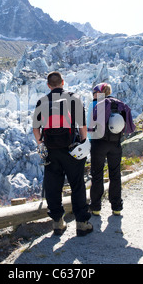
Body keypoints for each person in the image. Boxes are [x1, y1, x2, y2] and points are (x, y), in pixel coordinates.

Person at [32, 71, 93, 237]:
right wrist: (81, 143)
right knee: (77, 184)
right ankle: (82, 223)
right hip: (71, 148)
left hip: (51, 150)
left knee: (53, 186)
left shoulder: (42, 101)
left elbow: (36, 129)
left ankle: (57, 223)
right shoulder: (74, 98)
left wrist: (42, 145)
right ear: (63, 82)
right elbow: (82, 126)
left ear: (48, 85)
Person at [89, 83, 135, 215]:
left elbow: (92, 127)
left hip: (99, 143)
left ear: (100, 93)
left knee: (97, 175)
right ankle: (116, 207)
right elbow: (130, 127)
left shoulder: (99, 105)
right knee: (115, 174)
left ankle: (96, 207)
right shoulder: (122, 105)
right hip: (115, 144)